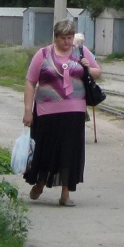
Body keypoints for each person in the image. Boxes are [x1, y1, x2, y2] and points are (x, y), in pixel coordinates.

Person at [22, 19, 100, 206]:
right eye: (63, 38)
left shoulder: (81, 52)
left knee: (69, 152)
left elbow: (97, 73)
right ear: (55, 37)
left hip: (73, 112)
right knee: (45, 150)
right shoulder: (43, 54)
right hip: (45, 112)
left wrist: (87, 67)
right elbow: (30, 82)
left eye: (70, 37)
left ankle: (66, 193)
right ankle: (40, 183)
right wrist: (27, 111)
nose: (67, 41)